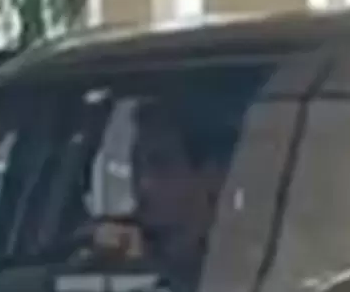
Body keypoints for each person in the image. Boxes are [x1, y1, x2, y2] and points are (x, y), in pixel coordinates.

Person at [82, 102, 235, 292]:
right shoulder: (125, 262)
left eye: (161, 165)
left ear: (210, 174)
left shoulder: (244, 266)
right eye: (137, 166)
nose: (142, 184)